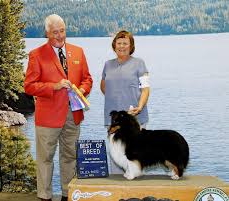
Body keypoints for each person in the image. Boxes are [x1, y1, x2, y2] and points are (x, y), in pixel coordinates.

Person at [24, 14, 93, 201]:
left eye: (62, 31)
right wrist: (53, 87)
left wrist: (82, 90)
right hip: (48, 117)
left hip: (74, 114)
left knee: (70, 156)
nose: (60, 36)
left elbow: (87, 78)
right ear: (47, 33)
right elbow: (29, 86)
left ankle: (67, 195)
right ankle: (44, 197)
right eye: (55, 32)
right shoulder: (36, 54)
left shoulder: (78, 51)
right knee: (45, 159)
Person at [100, 30, 150, 173]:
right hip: (114, 121)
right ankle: (117, 192)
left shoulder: (139, 63)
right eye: (119, 43)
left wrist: (139, 106)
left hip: (135, 119)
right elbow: (104, 86)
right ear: (114, 45)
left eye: (125, 43)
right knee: (116, 157)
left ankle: (136, 192)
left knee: (135, 157)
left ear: (131, 46)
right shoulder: (107, 64)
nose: (122, 46)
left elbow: (146, 89)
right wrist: (114, 98)